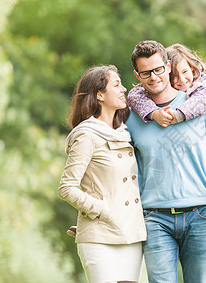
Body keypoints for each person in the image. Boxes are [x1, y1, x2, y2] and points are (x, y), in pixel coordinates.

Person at [125, 40, 206, 282]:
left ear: (168, 67)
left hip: (200, 216)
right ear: (137, 75)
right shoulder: (131, 116)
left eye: (158, 69)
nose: (154, 77)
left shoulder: (199, 106)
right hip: (154, 219)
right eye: (146, 72)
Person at [58, 65, 146, 283]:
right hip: (99, 236)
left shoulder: (124, 133)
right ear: (99, 94)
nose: (124, 89)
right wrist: (101, 210)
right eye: (116, 85)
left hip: (131, 235)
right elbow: (66, 188)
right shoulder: (87, 134)